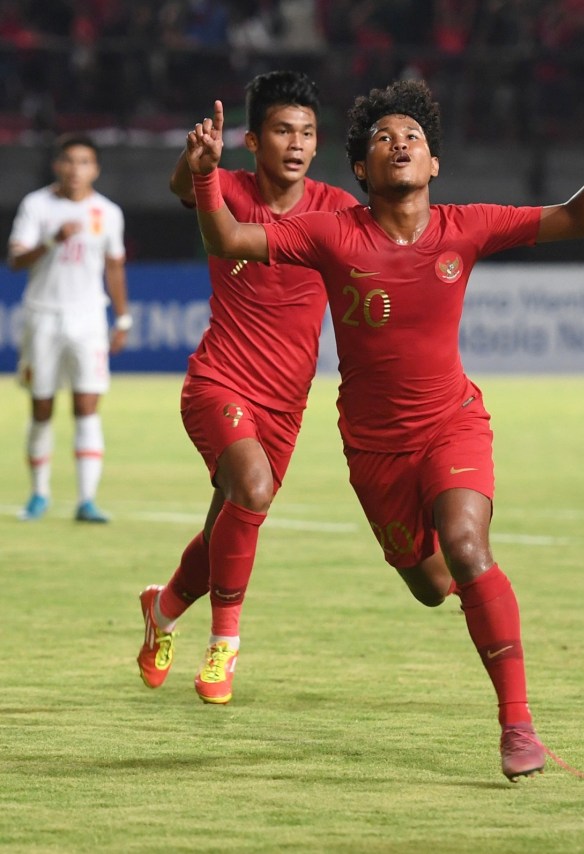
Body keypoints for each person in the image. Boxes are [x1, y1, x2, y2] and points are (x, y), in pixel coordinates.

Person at [183, 80, 584, 780]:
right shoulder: (333, 231)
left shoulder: (466, 226)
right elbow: (229, 236)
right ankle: (478, 600)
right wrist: (209, 175)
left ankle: (518, 726)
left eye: (414, 138)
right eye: (382, 139)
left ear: (434, 166)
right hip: (374, 452)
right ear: (362, 171)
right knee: (431, 584)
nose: (400, 143)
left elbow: (576, 219)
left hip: (452, 423)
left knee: (465, 544)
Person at [136, 70, 360, 705]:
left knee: (225, 529)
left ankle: (164, 607)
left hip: (286, 406)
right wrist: (196, 162)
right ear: (253, 141)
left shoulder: (339, 209)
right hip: (219, 381)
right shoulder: (225, 186)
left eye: (307, 133)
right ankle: (225, 645)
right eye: (282, 130)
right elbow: (183, 185)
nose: (296, 143)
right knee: (253, 489)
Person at [7, 133, 131, 523]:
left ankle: (86, 499)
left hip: (89, 319)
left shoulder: (107, 212)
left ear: (95, 168)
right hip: (43, 316)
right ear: (57, 165)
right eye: (69, 161)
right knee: (42, 406)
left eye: (84, 162)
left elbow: (114, 266)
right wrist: (50, 239)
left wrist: (122, 318)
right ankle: (39, 494)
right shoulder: (36, 205)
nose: (76, 169)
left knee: (87, 405)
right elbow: (15, 261)